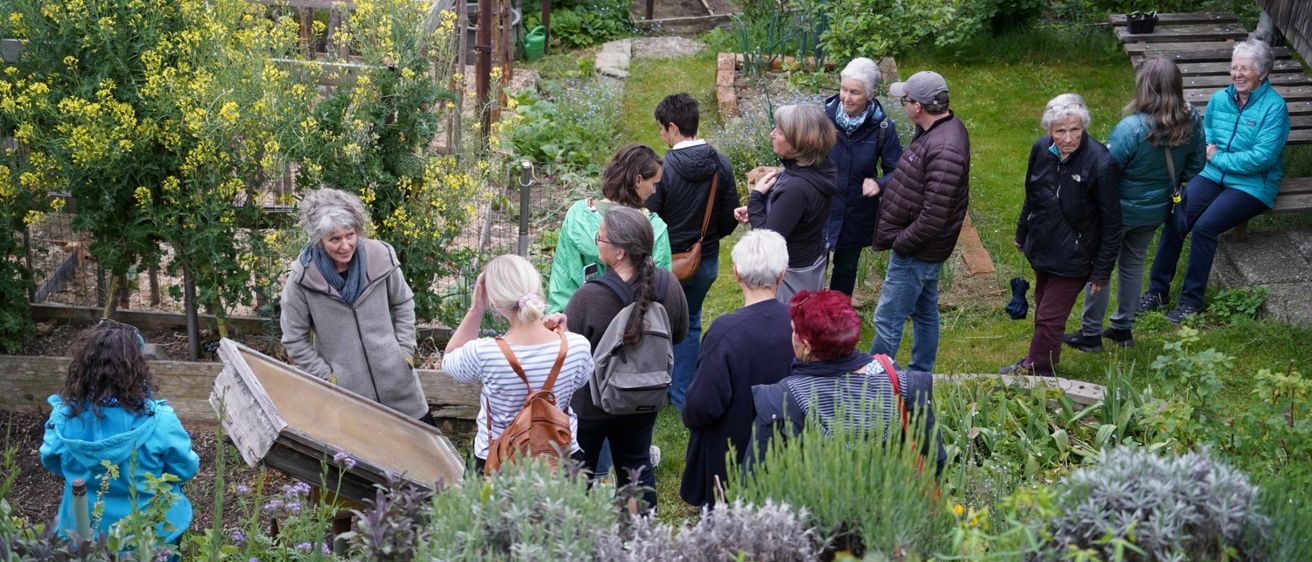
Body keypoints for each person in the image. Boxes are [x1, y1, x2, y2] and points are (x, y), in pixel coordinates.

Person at [1139, 39, 1290, 324]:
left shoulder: (1274, 109)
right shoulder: (1221, 100)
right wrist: (1212, 158)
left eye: (1245, 68)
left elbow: (1262, 159)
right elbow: (1205, 137)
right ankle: (1157, 292)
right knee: (1177, 215)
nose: (1237, 74)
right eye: (1234, 68)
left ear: (1263, 72)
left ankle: (1190, 302)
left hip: (1253, 185)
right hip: (1212, 176)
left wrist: (1217, 158)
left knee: (1206, 227)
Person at [1063, 58, 1206, 352]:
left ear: (1145, 88)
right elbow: (1197, 164)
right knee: (1133, 264)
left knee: (1101, 267)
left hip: (1118, 212)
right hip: (1154, 210)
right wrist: (1169, 181)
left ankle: (1090, 334)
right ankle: (1122, 328)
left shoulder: (1131, 128)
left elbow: (1106, 170)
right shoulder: (1191, 121)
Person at [565, 206, 689, 512]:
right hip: (644, 397)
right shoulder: (668, 285)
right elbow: (680, 333)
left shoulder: (588, 297)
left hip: (592, 404)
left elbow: (569, 354)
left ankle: (572, 537)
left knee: (579, 475)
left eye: (600, 238)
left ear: (619, 252)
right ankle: (641, 536)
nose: (597, 242)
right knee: (636, 467)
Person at [40, 320, 200, 544]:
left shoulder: (63, 419)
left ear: (83, 367)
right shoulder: (161, 421)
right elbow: (185, 468)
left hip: (82, 531)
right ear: (137, 368)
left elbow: (51, 460)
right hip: (150, 534)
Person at [750, 290, 944, 472]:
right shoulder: (905, 386)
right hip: (891, 505)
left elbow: (755, 481)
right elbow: (934, 461)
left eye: (794, 331)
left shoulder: (782, 401)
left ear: (807, 346)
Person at [280, 188, 430, 422]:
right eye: (334, 239)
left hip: (400, 387)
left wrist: (404, 353)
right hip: (348, 398)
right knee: (362, 458)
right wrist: (328, 378)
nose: (345, 245)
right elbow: (294, 339)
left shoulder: (381, 257)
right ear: (319, 239)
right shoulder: (303, 278)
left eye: (349, 235)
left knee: (422, 452)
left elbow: (403, 302)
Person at [442, 255, 594, 475]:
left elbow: (449, 360)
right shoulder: (577, 346)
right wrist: (565, 333)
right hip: (561, 460)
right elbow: (580, 379)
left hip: (496, 462)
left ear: (495, 302)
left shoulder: (485, 352)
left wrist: (476, 309)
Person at [1005, 94, 1121, 377]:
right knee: (1044, 307)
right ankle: (1045, 357)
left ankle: (1037, 370)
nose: (1068, 138)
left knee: (1048, 316)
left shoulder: (1101, 163)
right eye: (1061, 131)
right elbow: (1031, 195)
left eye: (1075, 130)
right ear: (1049, 131)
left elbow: (1112, 222)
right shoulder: (1040, 150)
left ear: (1084, 128)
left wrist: (1102, 271)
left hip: (1076, 254)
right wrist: (1022, 231)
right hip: (1044, 245)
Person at [679, 229, 793, 508]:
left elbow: (702, 406)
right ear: (782, 275)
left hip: (730, 456)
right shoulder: (798, 325)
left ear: (735, 273)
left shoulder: (726, 331)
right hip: (785, 446)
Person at [869, 70, 970, 374]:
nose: (903, 103)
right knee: (925, 312)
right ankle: (920, 374)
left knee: (888, 319)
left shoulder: (944, 148)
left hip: (917, 251)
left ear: (919, 107)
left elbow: (935, 215)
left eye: (906, 99)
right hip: (925, 250)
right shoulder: (938, 129)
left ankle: (872, 383)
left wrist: (902, 245)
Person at [646, 93, 741, 410]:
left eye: (661, 129)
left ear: (672, 128)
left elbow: (651, 219)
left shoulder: (664, 169)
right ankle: (683, 394)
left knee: (657, 324)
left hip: (667, 263)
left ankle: (655, 388)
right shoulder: (721, 163)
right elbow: (730, 217)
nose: (661, 135)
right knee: (691, 323)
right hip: (705, 260)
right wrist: (708, 240)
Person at [547, 144, 674, 314]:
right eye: (653, 183)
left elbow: (563, 278)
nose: (654, 190)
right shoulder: (652, 229)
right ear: (637, 180)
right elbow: (661, 289)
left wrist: (561, 322)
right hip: (632, 329)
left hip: (582, 321)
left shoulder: (577, 216)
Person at [734, 103, 838, 305]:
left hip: (791, 273)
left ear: (798, 141)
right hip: (810, 258)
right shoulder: (822, 168)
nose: (772, 134)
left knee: (787, 329)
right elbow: (796, 215)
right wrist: (766, 208)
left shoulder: (796, 188)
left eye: (779, 131)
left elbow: (768, 241)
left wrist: (755, 199)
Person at [823, 57, 903, 296]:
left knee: (845, 270)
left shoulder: (882, 129)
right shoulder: (822, 119)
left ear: (870, 94)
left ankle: (838, 322)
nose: (846, 98)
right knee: (813, 267)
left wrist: (879, 184)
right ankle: (807, 322)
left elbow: (897, 172)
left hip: (855, 214)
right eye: (843, 89)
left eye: (855, 93)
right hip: (821, 207)